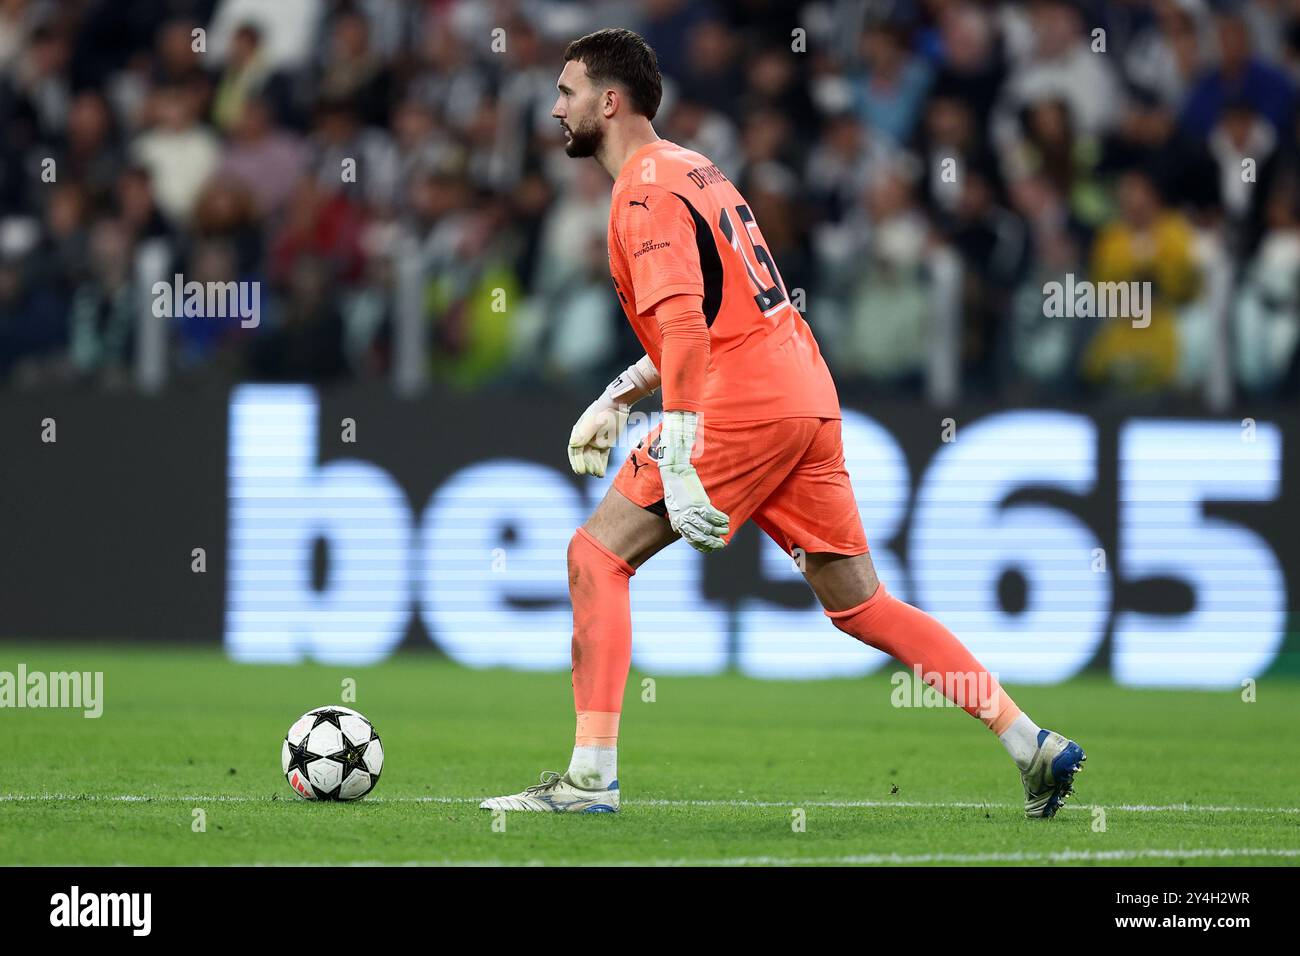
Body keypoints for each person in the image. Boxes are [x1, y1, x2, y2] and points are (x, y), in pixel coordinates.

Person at [481, 29, 1084, 818]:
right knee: (861, 604)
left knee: (596, 557)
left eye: (566, 92)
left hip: (739, 401)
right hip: (803, 390)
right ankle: (1027, 739)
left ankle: (590, 780)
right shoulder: (695, 169)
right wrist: (622, 394)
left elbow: (692, 330)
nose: (554, 108)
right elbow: (721, 311)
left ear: (609, 100)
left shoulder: (640, 193)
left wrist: (686, 450)